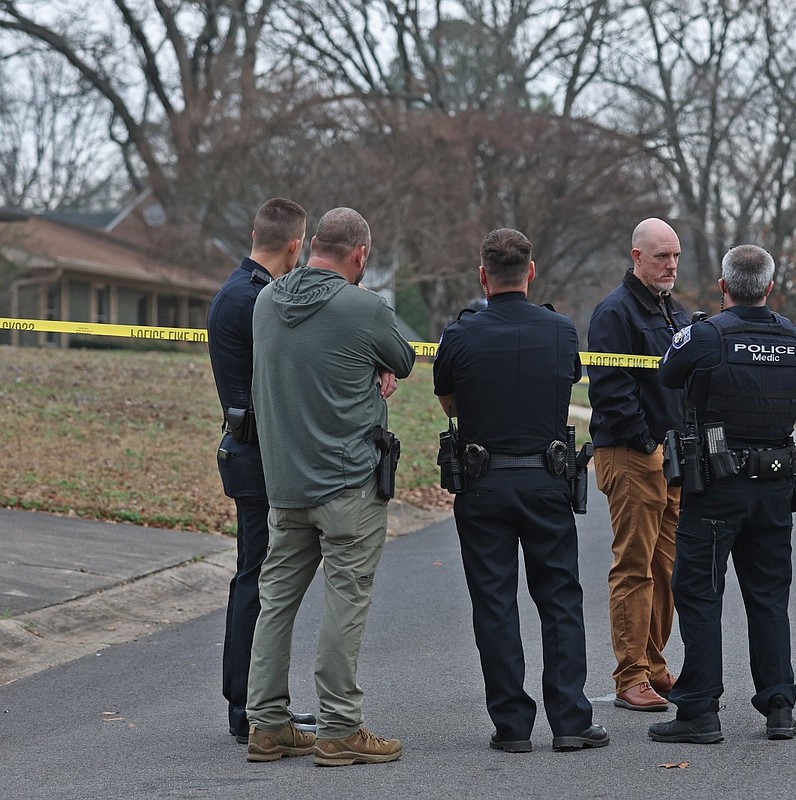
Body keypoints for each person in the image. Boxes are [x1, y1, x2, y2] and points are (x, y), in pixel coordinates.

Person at [245, 207, 416, 766]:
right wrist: (375, 365)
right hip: (347, 484)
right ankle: (340, 727)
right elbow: (405, 358)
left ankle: (266, 724)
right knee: (346, 600)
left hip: (284, 484)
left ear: (312, 244)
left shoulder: (266, 302)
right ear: (360, 255)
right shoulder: (363, 308)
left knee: (276, 603)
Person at [433, 228, 609, 754]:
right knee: (559, 599)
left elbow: (450, 406)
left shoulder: (459, 336)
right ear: (530, 272)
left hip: (484, 482)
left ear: (482, 276)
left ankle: (512, 726)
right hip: (546, 480)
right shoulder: (561, 330)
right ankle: (572, 721)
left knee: (494, 603)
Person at [648, 245, 796, 744]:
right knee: (768, 597)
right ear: (769, 288)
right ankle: (779, 705)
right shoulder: (792, 338)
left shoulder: (706, 335)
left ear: (723, 287)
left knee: (698, 593)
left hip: (717, 486)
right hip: (775, 486)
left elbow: (668, 373)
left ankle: (699, 710)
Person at [206, 197, 317, 745]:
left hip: (250, 451)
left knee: (258, 576)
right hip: (255, 456)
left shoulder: (240, 291)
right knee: (257, 579)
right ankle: (249, 707)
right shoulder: (253, 300)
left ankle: (256, 703)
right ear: (296, 246)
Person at [588, 218, 690, 712]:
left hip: (672, 459)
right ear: (636, 256)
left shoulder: (677, 313)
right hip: (630, 454)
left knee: (666, 567)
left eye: (675, 256)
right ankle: (630, 675)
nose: (670, 265)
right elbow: (610, 390)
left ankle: (653, 663)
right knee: (634, 566)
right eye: (661, 257)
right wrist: (649, 443)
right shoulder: (615, 312)